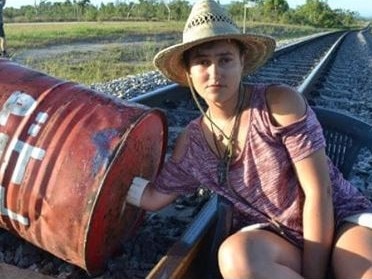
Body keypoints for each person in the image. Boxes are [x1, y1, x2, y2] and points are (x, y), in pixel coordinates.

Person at [126, 0, 372, 278]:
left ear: (242, 62)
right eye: (202, 62)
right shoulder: (193, 143)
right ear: (188, 73)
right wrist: (107, 176)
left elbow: (320, 192)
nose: (215, 72)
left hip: (339, 222)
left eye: (225, 59)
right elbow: (154, 197)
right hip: (276, 237)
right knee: (235, 256)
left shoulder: (279, 105)